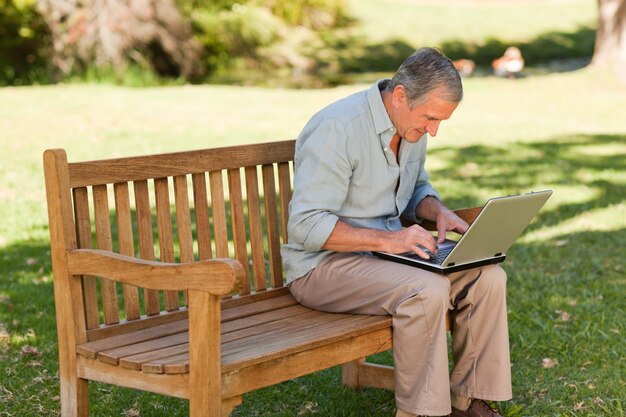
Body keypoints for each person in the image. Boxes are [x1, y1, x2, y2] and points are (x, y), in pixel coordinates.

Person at [281, 47, 512, 417]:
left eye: (440, 122)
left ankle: (468, 401)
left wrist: (436, 210)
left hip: (385, 258)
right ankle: (422, 412)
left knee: (486, 275)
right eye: (430, 119)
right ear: (400, 96)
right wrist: (391, 239)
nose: (433, 131)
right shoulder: (338, 128)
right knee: (427, 290)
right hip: (322, 266)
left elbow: (415, 188)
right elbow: (306, 225)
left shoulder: (410, 128)